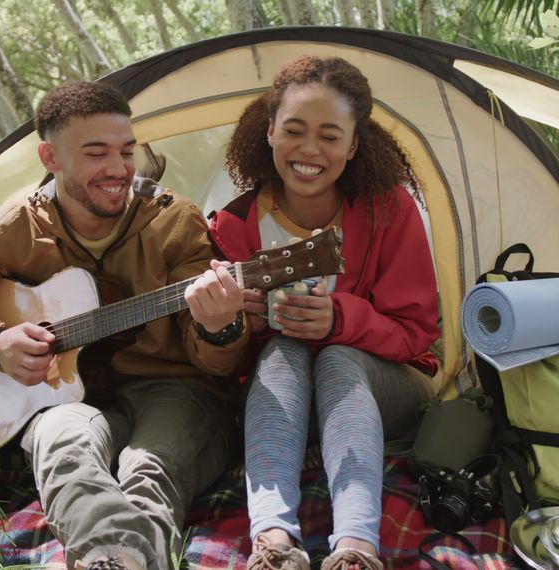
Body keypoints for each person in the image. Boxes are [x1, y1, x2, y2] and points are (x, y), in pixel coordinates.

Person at [0, 81, 249, 570]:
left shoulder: (174, 222)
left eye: (127, 151)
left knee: (148, 468)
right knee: (62, 444)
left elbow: (213, 359)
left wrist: (219, 327)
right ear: (50, 157)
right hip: (72, 400)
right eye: (96, 153)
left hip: (177, 390)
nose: (118, 169)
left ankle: (112, 558)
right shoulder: (17, 226)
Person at [208, 56, 441, 570]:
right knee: (281, 352)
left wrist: (340, 320)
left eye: (330, 136)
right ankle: (272, 543)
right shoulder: (234, 226)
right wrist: (236, 323)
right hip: (283, 405)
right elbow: (222, 364)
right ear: (269, 133)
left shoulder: (389, 209)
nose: (310, 149)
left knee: (338, 358)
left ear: (354, 145)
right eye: (293, 130)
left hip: (385, 386)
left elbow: (418, 335)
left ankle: (355, 548)